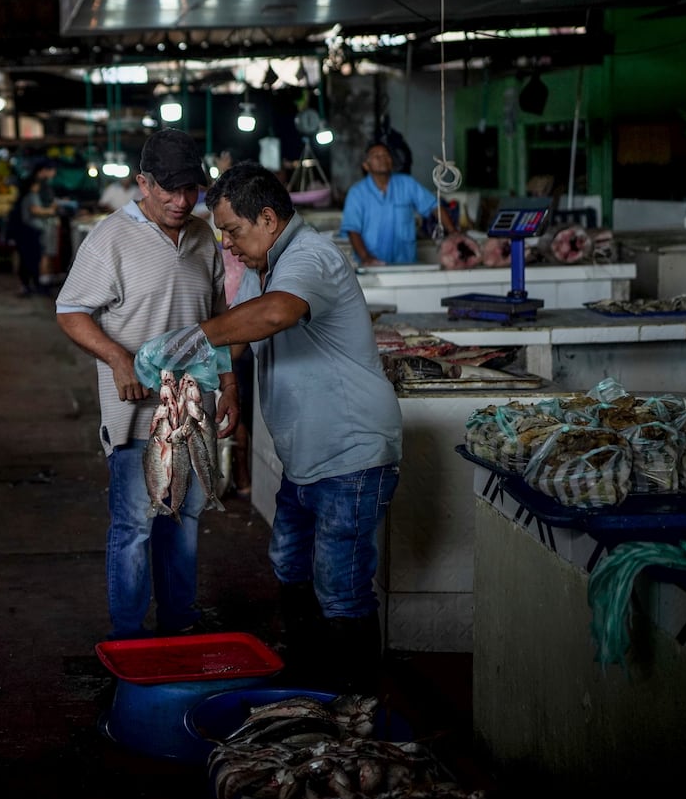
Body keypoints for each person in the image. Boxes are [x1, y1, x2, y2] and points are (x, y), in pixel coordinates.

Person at [137, 162, 401, 692]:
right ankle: (308, 684)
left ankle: (356, 709)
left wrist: (193, 338)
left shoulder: (310, 257)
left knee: (342, 587)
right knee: (289, 562)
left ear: (268, 218)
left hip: (351, 456)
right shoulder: (271, 264)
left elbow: (275, 313)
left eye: (233, 231)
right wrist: (229, 383)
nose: (229, 245)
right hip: (307, 459)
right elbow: (247, 317)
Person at [54, 130, 239, 640]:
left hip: (193, 412)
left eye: (191, 190)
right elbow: (70, 311)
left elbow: (219, 317)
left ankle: (179, 621)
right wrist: (117, 358)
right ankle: (130, 637)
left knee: (184, 521)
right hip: (134, 413)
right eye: (169, 190)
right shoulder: (110, 237)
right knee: (135, 526)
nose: (181, 201)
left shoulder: (203, 236)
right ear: (143, 183)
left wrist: (229, 383)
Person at [340, 143, 451, 266]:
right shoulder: (357, 192)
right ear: (366, 165)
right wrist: (366, 257)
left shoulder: (407, 184)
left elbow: (434, 206)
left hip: (406, 263)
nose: (383, 159)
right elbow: (352, 230)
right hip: (372, 266)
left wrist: (454, 233)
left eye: (386, 155)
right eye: (376, 156)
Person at [14, 162, 62, 296]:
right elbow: (35, 210)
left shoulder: (28, 196)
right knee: (34, 259)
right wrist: (51, 210)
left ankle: (31, 285)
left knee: (30, 259)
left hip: (28, 232)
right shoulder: (31, 196)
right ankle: (35, 285)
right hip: (30, 233)